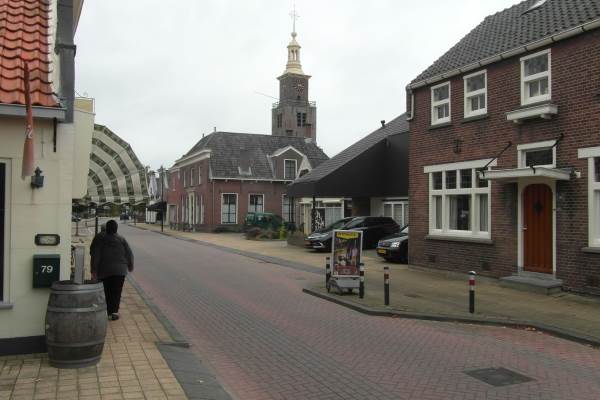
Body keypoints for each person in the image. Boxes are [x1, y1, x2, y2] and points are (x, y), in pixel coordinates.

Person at [91, 220, 134, 321]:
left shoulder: (100, 239)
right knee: (116, 291)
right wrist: (130, 266)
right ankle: (114, 312)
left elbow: (95, 255)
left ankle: (107, 310)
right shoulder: (121, 239)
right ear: (116, 229)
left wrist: (94, 270)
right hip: (120, 270)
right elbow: (129, 253)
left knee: (106, 290)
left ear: (106, 229)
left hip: (104, 269)